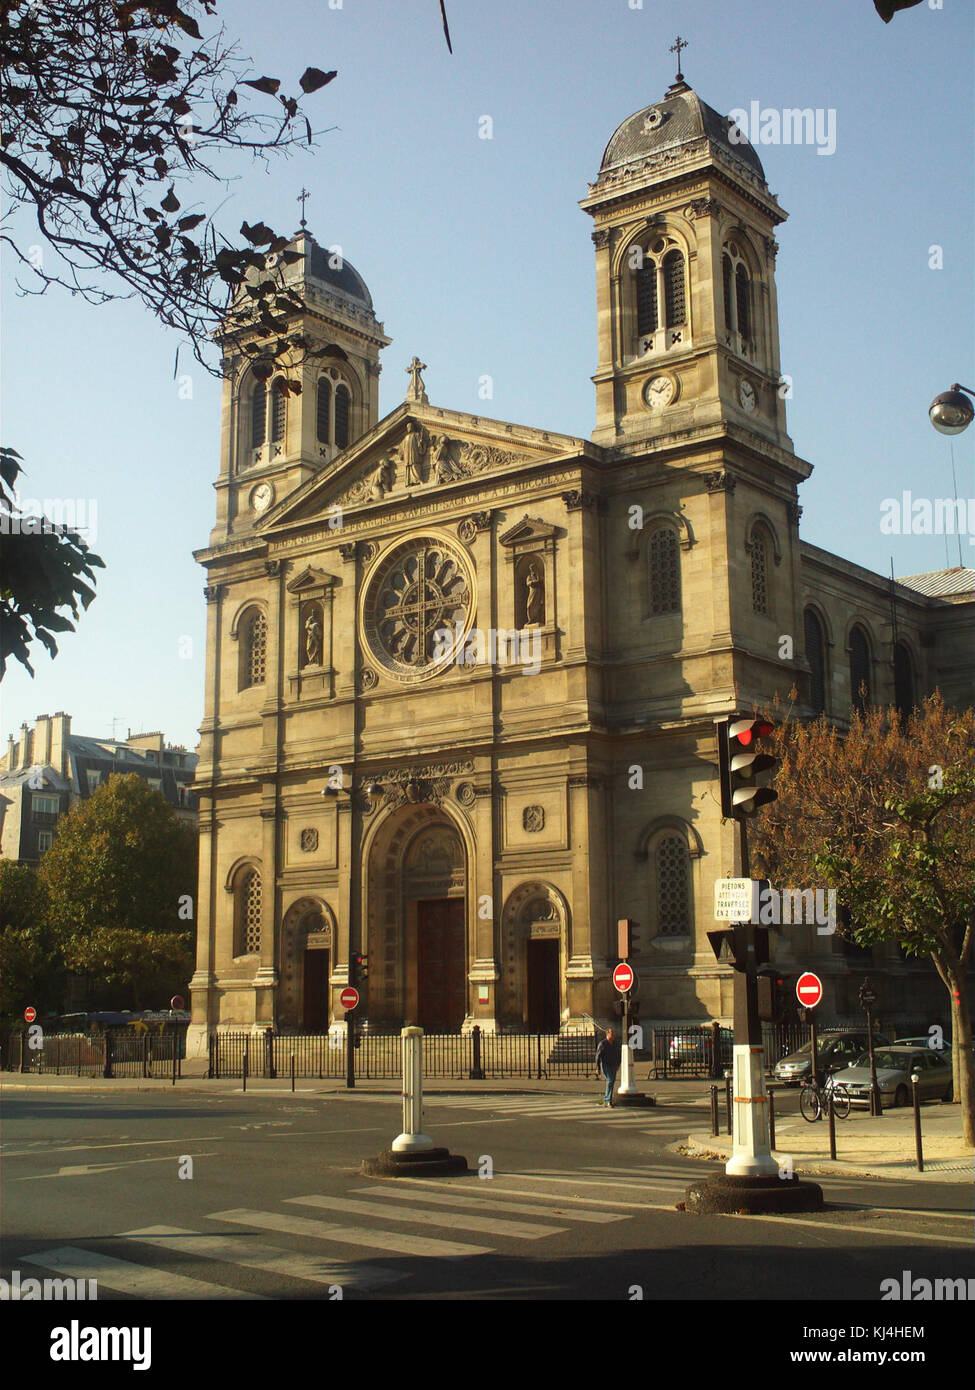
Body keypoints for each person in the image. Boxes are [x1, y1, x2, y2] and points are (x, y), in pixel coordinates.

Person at [595, 1027, 622, 1107]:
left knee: (612, 1081)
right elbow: (598, 1056)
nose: (613, 1035)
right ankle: (608, 1100)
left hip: (613, 1064)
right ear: (607, 1034)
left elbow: (618, 1054)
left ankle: (607, 1098)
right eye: (612, 1033)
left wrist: (618, 1064)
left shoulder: (615, 1044)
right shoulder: (603, 1044)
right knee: (610, 1080)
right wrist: (598, 1068)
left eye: (614, 1034)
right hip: (605, 1064)